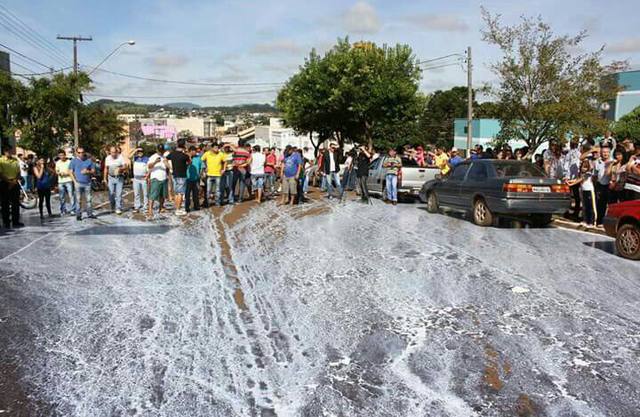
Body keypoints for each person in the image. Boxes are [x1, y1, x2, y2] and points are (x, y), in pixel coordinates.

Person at [69, 147, 97, 221]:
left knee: (89, 199)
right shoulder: (73, 161)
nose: (81, 154)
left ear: (84, 152)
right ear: (76, 153)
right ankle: (78, 215)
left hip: (87, 183)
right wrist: (74, 181)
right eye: (79, 152)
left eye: (82, 152)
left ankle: (90, 213)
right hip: (78, 183)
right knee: (78, 200)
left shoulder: (89, 161)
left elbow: (94, 171)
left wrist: (88, 171)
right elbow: (70, 172)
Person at [0, 144, 23, 228]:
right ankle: (6, 222)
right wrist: (9, 182)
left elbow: (18, 172)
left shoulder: (15, 160)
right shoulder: (1, 160)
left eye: (10, 150)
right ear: (4, 152)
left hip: (14, 182)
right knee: (5, 203)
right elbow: (1, 174)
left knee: (16, 203)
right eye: (7, 151)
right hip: (5, 183)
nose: (9, 152)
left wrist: (14, 181)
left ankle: (15, 221)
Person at [167, 139, 190, 216]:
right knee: (180, 193)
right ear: (184, 145)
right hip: (182, 176)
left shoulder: (172, 154)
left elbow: (165, 159)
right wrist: (186, 152)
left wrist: (170, 167)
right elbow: (190, 162)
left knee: (177, 193)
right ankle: (178, 209)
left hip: (174, 174)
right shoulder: (184, 155)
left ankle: (177, 208)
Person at [147, 144, 170, 217]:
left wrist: (166, 164)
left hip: (164, 178)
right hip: (155, 178)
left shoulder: (164, 157)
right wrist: (155, 162)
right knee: (153, 195)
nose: (161, 152)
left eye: (162, 150)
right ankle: (150, 210)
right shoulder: (153, 157)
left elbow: (168, 167)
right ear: (157, 150)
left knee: (162, 195)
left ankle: (161, 207)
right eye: (160, 150)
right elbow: (149, 166)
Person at [104, 146, 128, 215]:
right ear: (110, 152)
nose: (113, 154)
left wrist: (120, 169)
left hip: (119, 178)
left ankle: (118, 208)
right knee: (111, 195)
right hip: (110, 178)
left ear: (116, 152)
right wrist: (104, 178)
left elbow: (125, 166)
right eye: (112, 152)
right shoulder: (107, 158)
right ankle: (113, 206)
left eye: (114, 152)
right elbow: (106, 168)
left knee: (119, 194)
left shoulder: (120, 157)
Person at [594, 147, 612, 227]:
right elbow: (595, 175)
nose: (605, 154)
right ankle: (599, 221)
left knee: (609, 204)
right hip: (600, 184)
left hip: (609, 185)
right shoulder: (597, 162)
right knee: (600, 204)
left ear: (609, 153)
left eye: (607, 152)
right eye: (603, 152)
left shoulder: (613, 161)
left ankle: (608, 222)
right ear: (601, 153)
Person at [55, 149, 76, 215]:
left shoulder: (69, 162)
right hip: (61, 181)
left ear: (65, 155)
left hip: (69, 180)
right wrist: (59, 173)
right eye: (60, 155)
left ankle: (73, 210)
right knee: (62, 196)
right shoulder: (58, 162)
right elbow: (56, 171)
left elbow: (72, 170)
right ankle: (63, 210)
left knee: (71, 195)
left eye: (62, 155)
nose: (61, 157)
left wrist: (66, 173)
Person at [131, 148, 149, 213]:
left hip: (143, 178)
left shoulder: (146, 159)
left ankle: (145, 207)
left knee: (145, 194)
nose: (140, 153)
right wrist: (135, 150)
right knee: (137, 194)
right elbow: (128, 156)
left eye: (141, 151)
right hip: (136, 179)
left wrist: (147, 176)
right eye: (139, 152)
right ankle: (137, 207)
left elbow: (149, 168)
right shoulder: (135, 158)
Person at [185, 145, 202, 212]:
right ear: (190, 151)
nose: (195, 152)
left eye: (195, 151)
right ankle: (187, 207)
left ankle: (196, 206)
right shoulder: (186, 158)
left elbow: (201, 166)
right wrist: (189, 157)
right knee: (187, 194)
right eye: (193, 151)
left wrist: (201, 174)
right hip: (187, 179)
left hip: (196, 179)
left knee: (196, 194)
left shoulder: (198, 158)